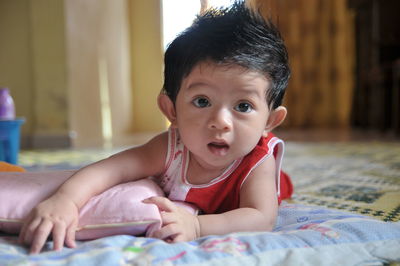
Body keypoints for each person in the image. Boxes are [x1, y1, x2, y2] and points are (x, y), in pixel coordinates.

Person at [19, 1, 292, 254]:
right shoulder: (170, 148)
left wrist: (197, 226)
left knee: (280, 189)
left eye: (243, 106)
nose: (220, 121)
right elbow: (110, 169)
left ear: (269, 121)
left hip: (266, 187)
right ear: (171, 110)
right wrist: (66, 200)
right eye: (202, 101)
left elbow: (261, 217)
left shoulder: (258, 161)